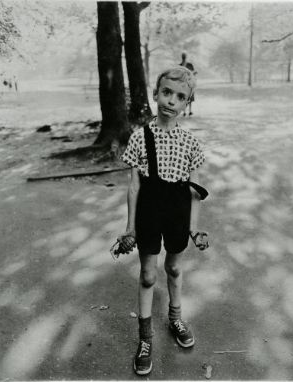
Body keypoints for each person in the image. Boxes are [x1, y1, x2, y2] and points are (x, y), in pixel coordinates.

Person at [119, 66, 209, 376]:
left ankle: (175, 317)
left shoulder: (191, 143)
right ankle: (145, 339)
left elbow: (195, 191)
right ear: (156, 93)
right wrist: (129, 227)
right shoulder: (140, 137)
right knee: (147, 275)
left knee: (173, 268)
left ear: (188, 103)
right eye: (166, 93)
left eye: (180, 97)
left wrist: (194, 228)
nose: (171, 101)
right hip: (148, 212)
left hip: (177, 213)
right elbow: (133, 186)